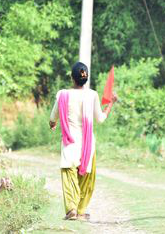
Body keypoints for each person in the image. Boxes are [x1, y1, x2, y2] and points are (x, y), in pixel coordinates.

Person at [49, 62, 117, 221]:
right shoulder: (92, 95)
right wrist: (111, 104)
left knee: (68, 176)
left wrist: (53, 124)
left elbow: (53, 118)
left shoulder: (62, 95)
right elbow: (100, 119)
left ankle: (71, 209)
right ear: (85, 79)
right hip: (87, 146)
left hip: (69, 143)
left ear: (72, 77)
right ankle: (80, 210)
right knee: (87, 178)